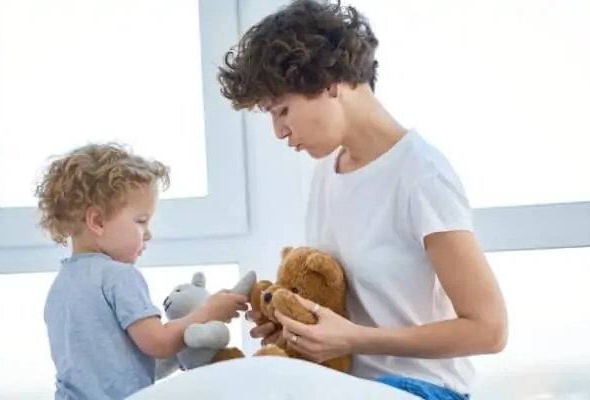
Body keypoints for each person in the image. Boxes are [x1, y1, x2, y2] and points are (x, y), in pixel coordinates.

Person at [217, 1, 508, 399]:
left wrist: (355, 339)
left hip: (420, 388)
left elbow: (489, 329)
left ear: (331, 81)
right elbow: (344, 308)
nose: (279, 132)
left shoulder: (421, 177)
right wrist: (298, 326)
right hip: (346, 386)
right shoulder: (326, 173)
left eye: (282, 110)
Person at [36, 143, 249, 400]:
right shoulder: (119, 276)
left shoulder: (61, 285)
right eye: (141, 221)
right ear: (98, 221)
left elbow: (113, 362)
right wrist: (208, 311)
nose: (148, 233)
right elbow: (158, 343)